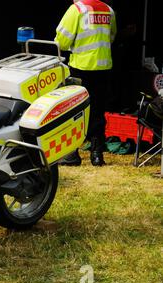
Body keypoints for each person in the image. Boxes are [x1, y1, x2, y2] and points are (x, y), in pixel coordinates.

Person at [55, 0, 117, 166]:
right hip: (103, 67)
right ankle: (97, 155)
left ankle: (72, 154)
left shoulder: (77, 9)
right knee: (98, 109)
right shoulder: (108, 10)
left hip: (81, 67)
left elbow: (61, 41)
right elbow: (111, 36)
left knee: (76, 111)